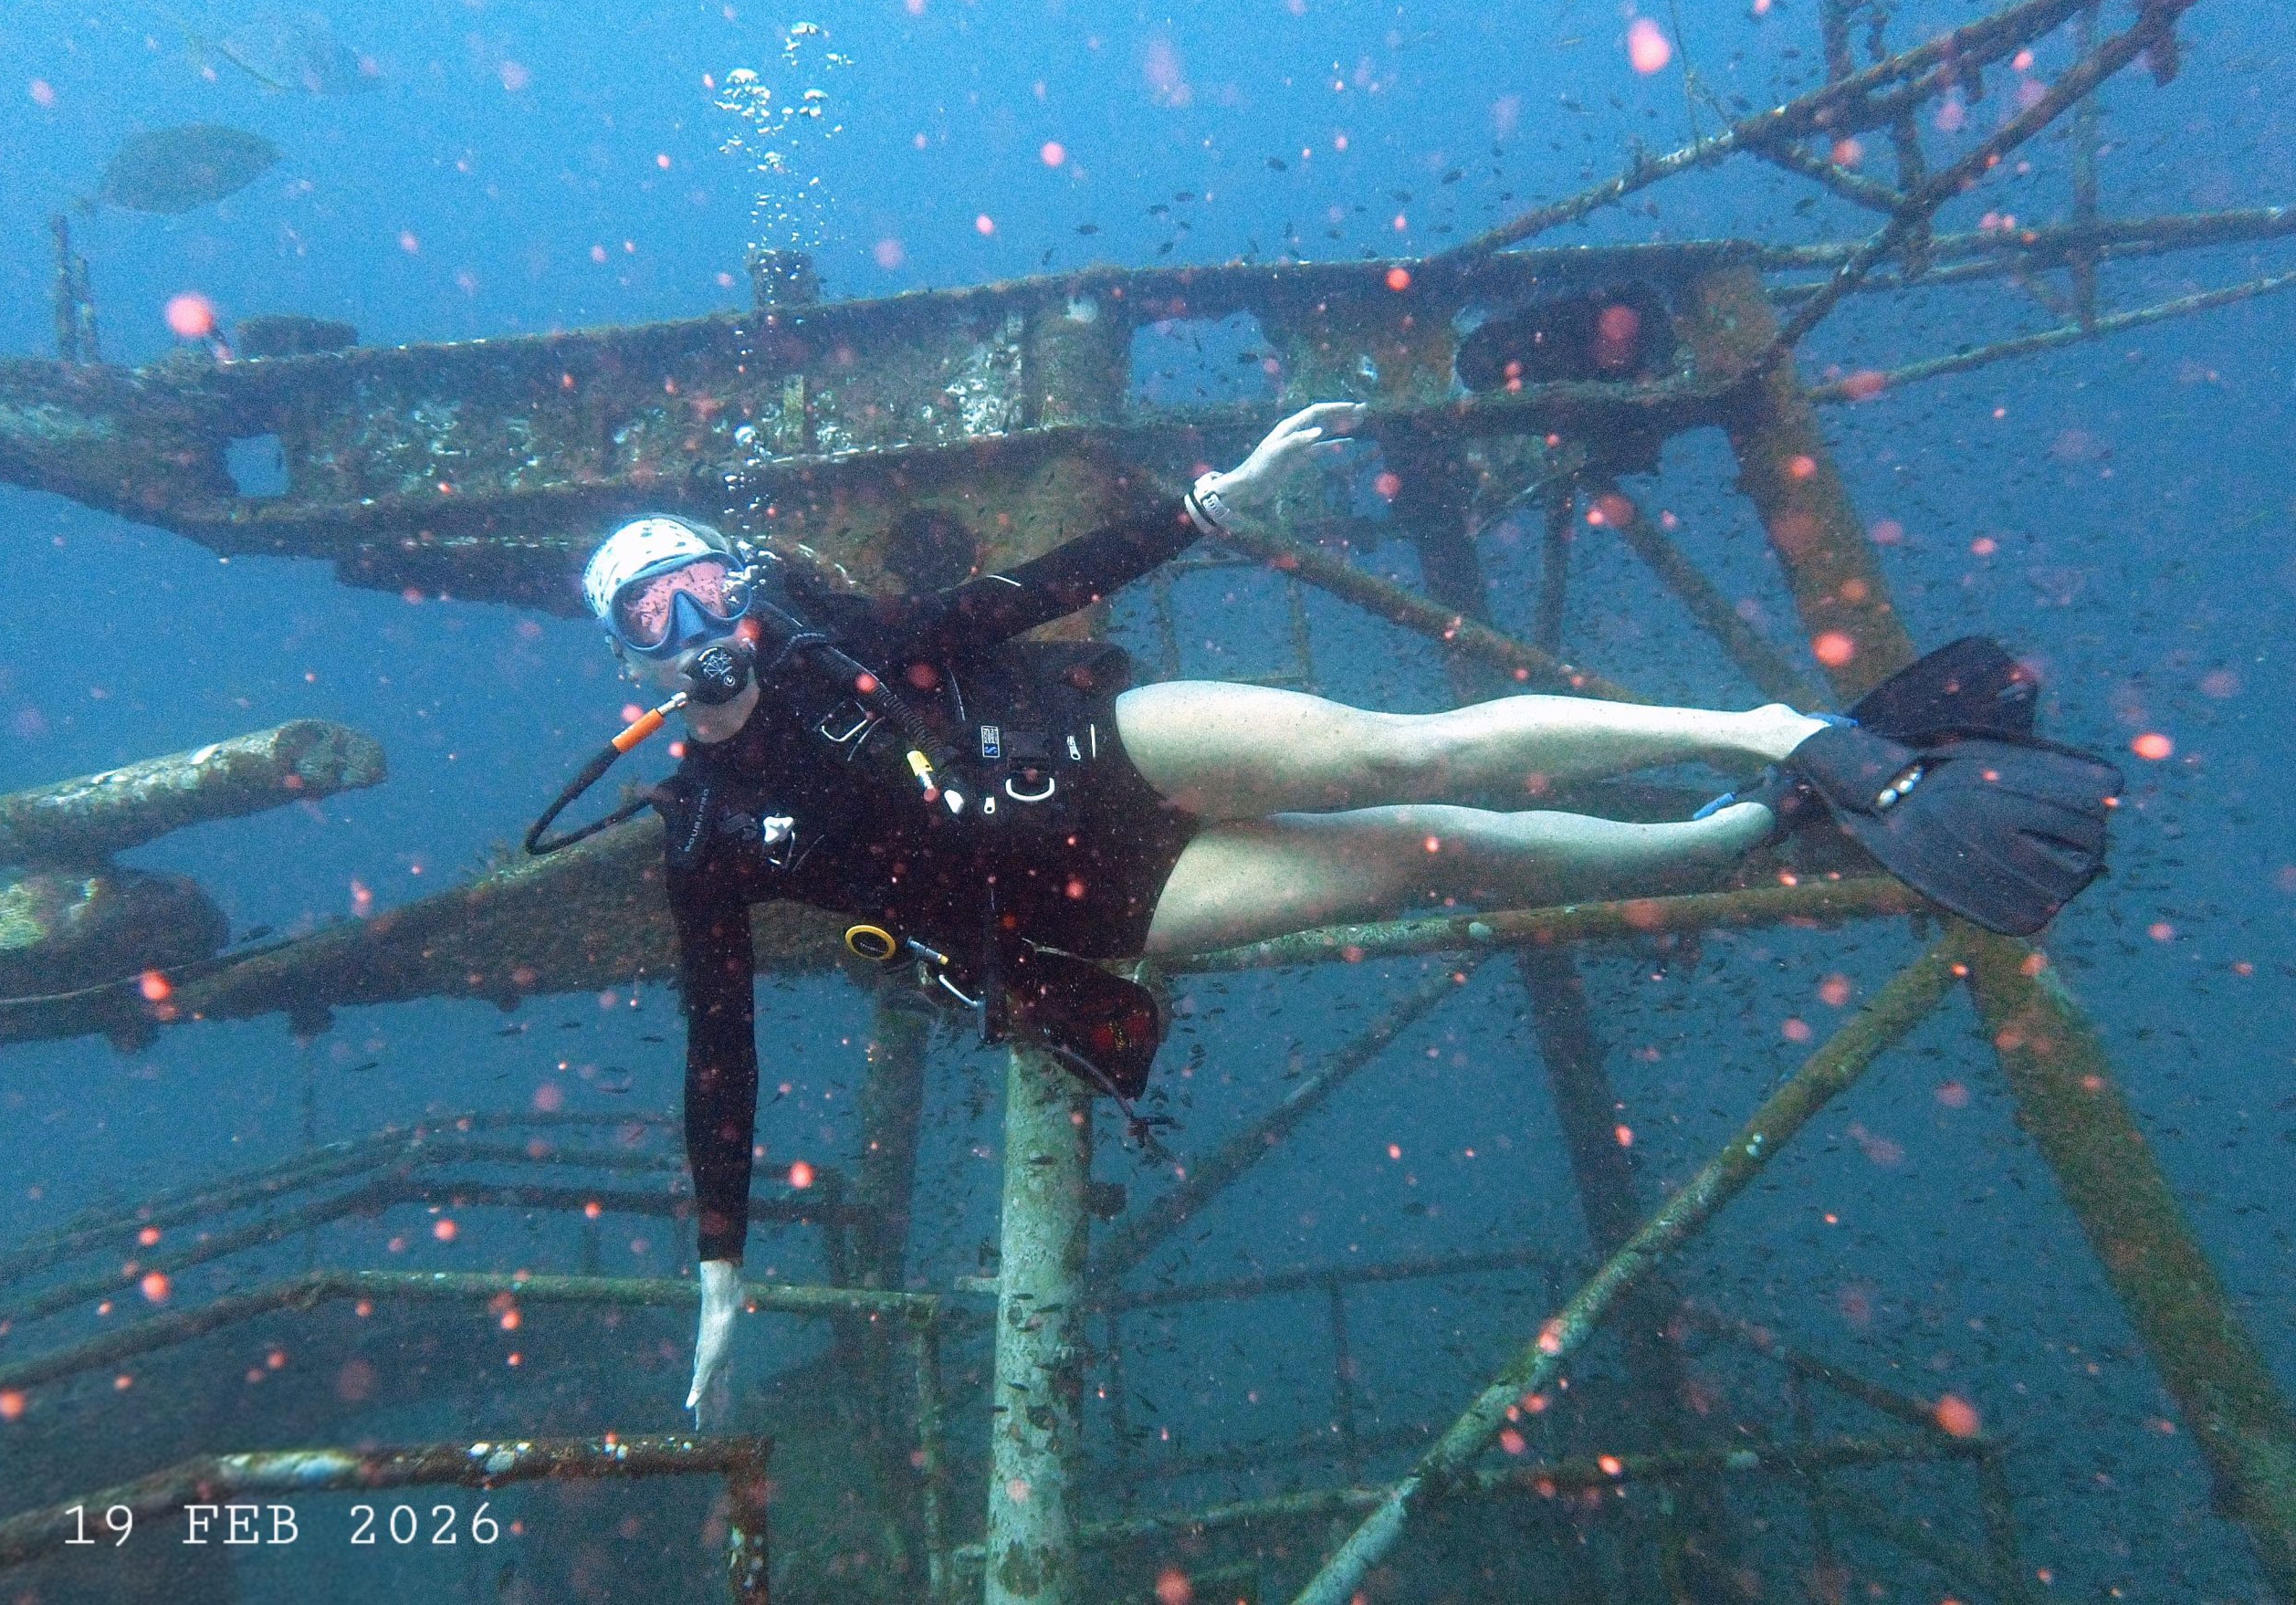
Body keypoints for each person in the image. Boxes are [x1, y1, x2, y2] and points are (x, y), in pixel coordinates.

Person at [560, 403, 2118, 1421]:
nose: (699, 622)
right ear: (630, 659)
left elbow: (1013, 603)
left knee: (1406, 751)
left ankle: (1781, 733)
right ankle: (1730, 832)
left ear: (746, 578)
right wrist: (720, 1269)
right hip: (1114, 905)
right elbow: (724, 1052)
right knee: (1439, 846)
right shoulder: (700, 828)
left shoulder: (859, 642)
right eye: (654, 613)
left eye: (705, 585)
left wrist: (1205, 508)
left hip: (1111, 753)